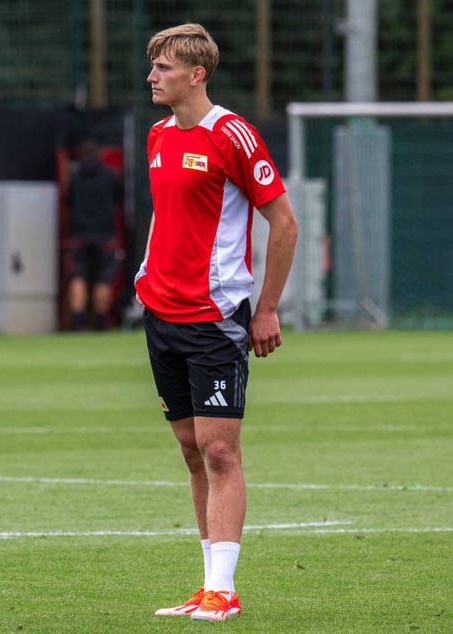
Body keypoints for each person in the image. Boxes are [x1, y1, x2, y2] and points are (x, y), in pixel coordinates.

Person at [133, 24, 298, 622]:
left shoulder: (233, 134)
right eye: (152, 65)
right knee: (190, 450)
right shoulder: (155, 136)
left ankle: (224, 591)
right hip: (161, 313)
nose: (152, 75)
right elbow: (168, 217)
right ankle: (206, 587)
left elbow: (284, 223)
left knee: (220, 450)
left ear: (197, 74)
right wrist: (145, 276)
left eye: (164, 67)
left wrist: (268, 308)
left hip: (214, 318)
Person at [66, 140, 121, 331]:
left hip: (79, 235)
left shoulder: (75, 177)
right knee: (103, 280)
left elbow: (68, 201)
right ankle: (100, 323)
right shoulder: (109, 176)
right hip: (105, 236)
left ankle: (78, 324)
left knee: (78, 278)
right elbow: (118, 201)